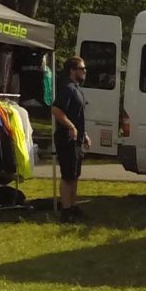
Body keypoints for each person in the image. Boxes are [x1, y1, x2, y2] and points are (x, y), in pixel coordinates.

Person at [53, 55, 88, 220]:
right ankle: (65, 211)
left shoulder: (76, 88)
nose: (85, 71)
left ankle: (73, 206)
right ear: (72, 71)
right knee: (67, 176)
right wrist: (71, 127)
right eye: (82, 69)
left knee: (75, 174)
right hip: (66, 138)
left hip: (77, 139)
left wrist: (83, 134)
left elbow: (77, 115)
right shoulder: (67, 88)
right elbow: (56, 110)